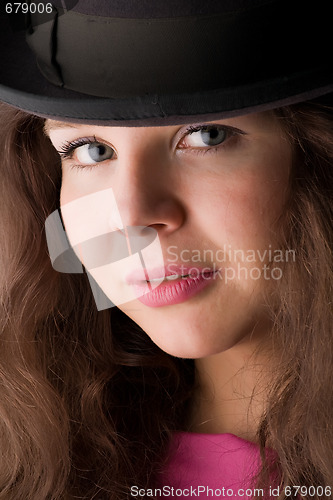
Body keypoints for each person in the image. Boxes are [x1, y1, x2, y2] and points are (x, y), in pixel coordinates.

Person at [0, 1, 332, 499]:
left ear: (317, 162)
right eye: (91, 150)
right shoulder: (28, 464)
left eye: (206, 136)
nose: (132, 215)